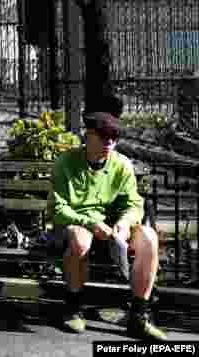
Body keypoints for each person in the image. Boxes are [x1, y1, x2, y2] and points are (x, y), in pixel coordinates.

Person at [52, 96, 165, 341]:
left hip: (113, 230)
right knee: (80, 240)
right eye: (103, 137)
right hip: (77, 225)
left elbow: (134, 204)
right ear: (88, 136)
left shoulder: (122, 165)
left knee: (148, 237)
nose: (109, 143)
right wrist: (90, 223)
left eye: (114, 138)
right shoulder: (66, 162)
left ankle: (139, 316)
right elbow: (58, 208)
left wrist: (124, 223)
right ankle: (73, 308)